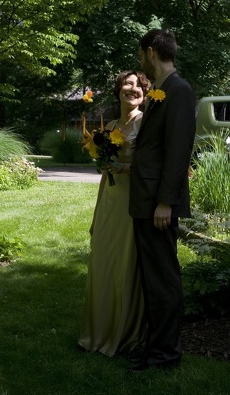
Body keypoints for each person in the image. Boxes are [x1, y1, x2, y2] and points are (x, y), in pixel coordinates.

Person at [129, 29, 196, 371]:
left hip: (158, 202)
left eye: (142, 54)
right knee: (152, 278)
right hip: (145, 199)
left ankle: (166, 355)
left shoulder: (179, 91)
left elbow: (178, 150)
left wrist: (166, 202)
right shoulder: (159, 91)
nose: (140, 61)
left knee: (163, 279)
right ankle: (154, 347)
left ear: (151, 51)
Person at [78, 70, 151, 357]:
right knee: (103, 263)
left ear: (145, 94)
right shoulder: (109, 125)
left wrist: (126, 168)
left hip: (133, 204)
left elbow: (153, 167)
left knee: (125, 266)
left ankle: (125, 336)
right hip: (110, 201)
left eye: (138, 85)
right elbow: (103, 172)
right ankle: (98, 332)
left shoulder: (147, 124)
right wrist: (96, 215)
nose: (132, 89)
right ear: (118, 89)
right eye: (126, 84)